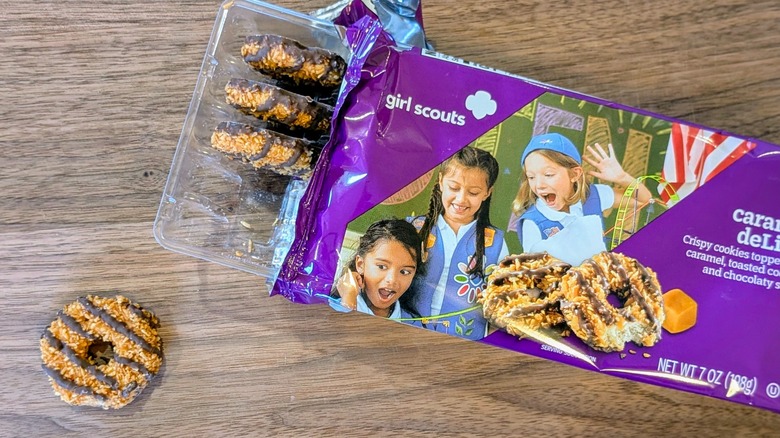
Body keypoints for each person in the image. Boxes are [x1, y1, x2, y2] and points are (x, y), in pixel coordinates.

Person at [409, 146, 508, 340]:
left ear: (487, 193)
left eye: (473, 192)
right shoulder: (413, 229)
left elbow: (501, 306)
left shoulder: (495, 244)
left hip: (465, 344)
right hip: (407, 334)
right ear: (440, 182)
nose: (461, 199)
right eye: (454, 188)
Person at [512, 132, 651, 265]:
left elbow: (643, 200)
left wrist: (622, 178)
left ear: (574, 174)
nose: (539, 185)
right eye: (531, 177)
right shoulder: (532, 223)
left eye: (548, 175)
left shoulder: (593, 196)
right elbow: (535, 275)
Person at [330, 219, 424, 319]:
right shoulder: (333, 308)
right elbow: (340, 330)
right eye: (382, 267)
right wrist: (349, 299)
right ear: (361, 264)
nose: (392, 279)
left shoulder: (414, 322)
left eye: (404, 272)